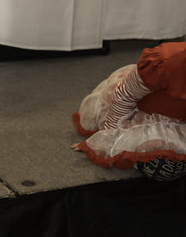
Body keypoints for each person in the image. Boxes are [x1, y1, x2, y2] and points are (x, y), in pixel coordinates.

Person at [73, 41, 186, 182]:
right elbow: (123, 98)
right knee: (167, 169)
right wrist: (108, 140)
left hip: (180, 119)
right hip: (142, 117)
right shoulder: (165, 61)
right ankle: (135, 154)